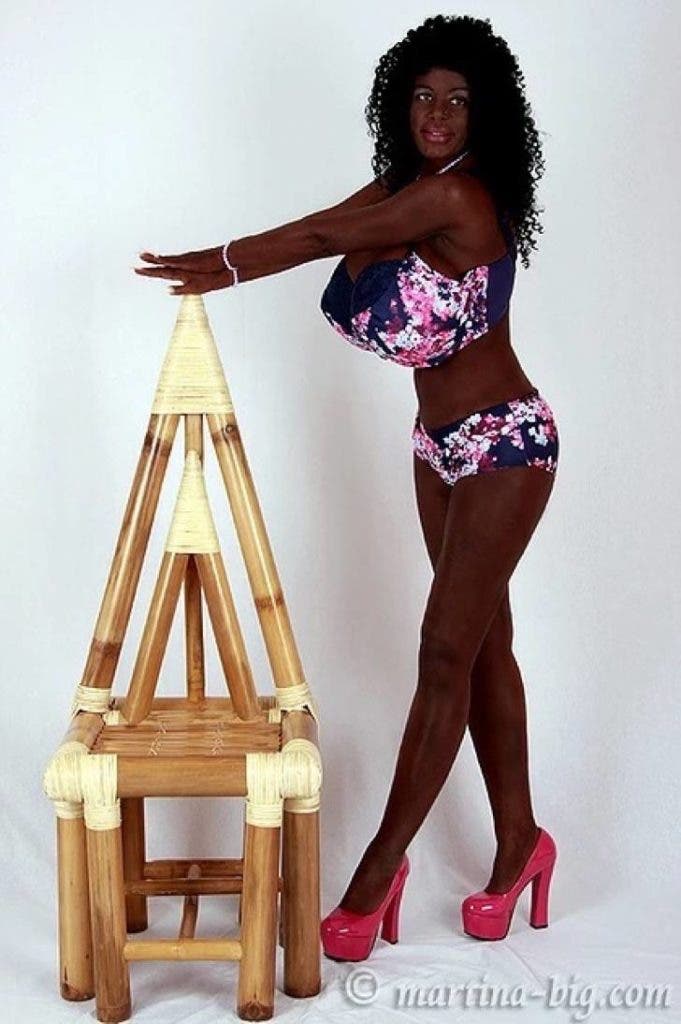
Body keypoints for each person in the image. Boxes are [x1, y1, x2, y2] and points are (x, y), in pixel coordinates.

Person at [134, 13, 559, 964]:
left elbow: (328, 235)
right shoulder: (407, 187)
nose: (436, 113)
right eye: (422, 96)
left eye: (457, 100)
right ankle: (521, 844)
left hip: (505, 443)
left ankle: (377, 871)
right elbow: (320, 225)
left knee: (443, 652)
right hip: (436, 444)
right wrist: (229, 260)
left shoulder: (458, 198)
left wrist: (225, 263)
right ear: (399, 103)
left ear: (483, 114)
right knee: (482, 646)